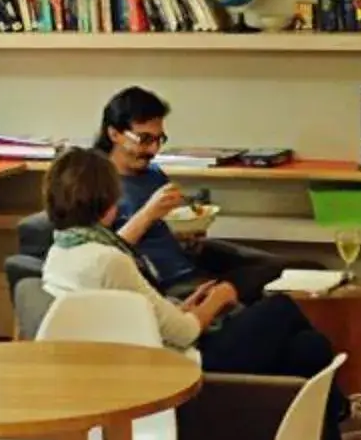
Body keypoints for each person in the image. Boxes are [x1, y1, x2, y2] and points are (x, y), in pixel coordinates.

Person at [38, 147, 347, 440]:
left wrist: (183, 306)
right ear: (107, 201)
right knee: (281, 308)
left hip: (149, 354)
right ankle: (338, 417)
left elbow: (137, 317)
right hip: (182, 367)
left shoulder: (61, 252)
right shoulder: (108, 260)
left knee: (308, 348)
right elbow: (184, 333)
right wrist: (219, 298)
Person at [93, 86, 282, 308]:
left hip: (191, 265)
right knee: (276, 288)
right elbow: (103, 254)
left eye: (158, 139)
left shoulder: (153, 174)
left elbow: (166, 231)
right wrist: (147, 214)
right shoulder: (98, 184)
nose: (153, 150)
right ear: (114, 133)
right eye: (144, 139)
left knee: (291, 269)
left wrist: (187, 238)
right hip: (166, 285)